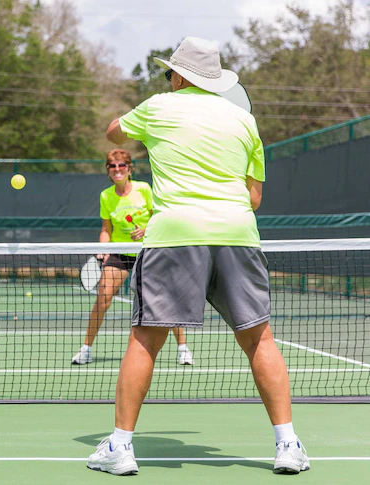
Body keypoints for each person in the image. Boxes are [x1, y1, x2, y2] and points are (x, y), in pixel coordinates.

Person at [86, 37, 309, 476]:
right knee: (260, 339)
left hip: (176, 236)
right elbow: (254, 196)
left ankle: (121, 447)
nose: (168, 79)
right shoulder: (245, 122)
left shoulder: (158, 106)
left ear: (182, 75)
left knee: (146, 339)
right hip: (237, 235)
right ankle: (288, 444)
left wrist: (146, 126)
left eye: (170, 73)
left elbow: (113, 132)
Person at [71, 149, 193, 366]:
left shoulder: (143, 189)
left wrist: (146, 229)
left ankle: (183, 349)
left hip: (148, 250)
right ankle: (86, 349)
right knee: (103, 297)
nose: (117, 170)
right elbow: (106, 229)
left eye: (122, 165)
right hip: (120, 253)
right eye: (112, 166)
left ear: (130, 169)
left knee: (165, 300)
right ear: (108, 171)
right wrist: (102, 248)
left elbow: (161, 216)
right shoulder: (106, 196)